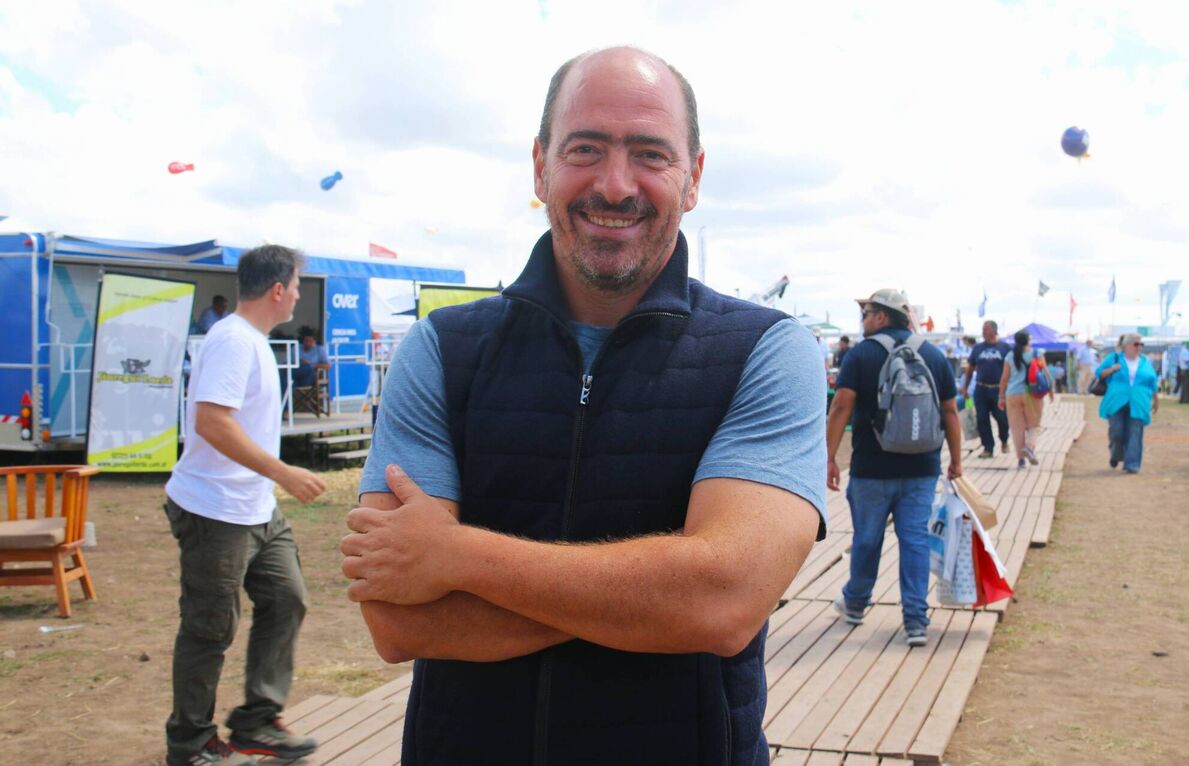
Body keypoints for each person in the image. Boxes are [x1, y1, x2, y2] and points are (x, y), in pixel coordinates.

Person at [340, 47, 827, 764]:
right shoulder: (443, 350)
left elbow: (723, 600)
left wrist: (455, 556)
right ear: (540, 167)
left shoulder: (764, 350)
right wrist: (655, 599)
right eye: (586, 149)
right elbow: (398, 623)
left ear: (693, 178)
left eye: (650, 154)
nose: (615, 183)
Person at [163, 245, 326, 766]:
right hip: (216, 511)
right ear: (278, 289)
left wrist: (270, 486)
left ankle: (257, 721)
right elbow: (212, 422)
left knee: (287, 599)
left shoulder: (250, 340)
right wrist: (284, 474)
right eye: (297, 286)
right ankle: (190, 743)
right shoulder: (233, 340)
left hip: (255, 508)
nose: (299, 296)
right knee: (210, 629)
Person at [826, 289, 961, 648]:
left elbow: (840, 407)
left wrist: (827, 457)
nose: (863, 319)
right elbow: (950, 412)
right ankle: (916, 621)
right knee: (914, 540)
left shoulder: (861, 355)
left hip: (871, 468)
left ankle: (855, 603)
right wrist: (957, 462)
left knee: (867, 539)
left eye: (866, 313)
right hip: (922, 467)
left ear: (882, 316)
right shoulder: (932, 354)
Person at [1097, 333, 1160, 473]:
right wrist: (1112, 369)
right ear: (1126, 345)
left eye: (1141, 344)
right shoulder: (1114, 358)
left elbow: (1152, 381)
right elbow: (1099, 373)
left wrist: (1156, 399)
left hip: (1139, 401)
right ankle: (1116, 454)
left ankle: (1132, 464)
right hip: (1116, 401)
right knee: (1117, 432)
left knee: (1135, 432)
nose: (1139, 347)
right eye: (1136, 344)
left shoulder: (1145, 361)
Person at [998, 330, 1054, 469]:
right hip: (1032, 395)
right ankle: (1029, 448)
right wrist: (1051, 392)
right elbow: (1046, 374)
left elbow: (1004, 379)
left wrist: (1001, 397)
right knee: (1034, 425)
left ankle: (1020, 460)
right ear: (1028, 340)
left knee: (1017, 428)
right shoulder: (1037, 354)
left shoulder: (1010, 356)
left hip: (1012, 395)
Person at [960, 320, 1010, 458]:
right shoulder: (978, 348)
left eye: (986, 329)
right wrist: (965, 388)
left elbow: (1011, 369)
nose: (983, 331)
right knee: (982, 419)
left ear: (994, 331)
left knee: (1002, 418)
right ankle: (988, 448)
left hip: (998, 389)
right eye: (982, 329)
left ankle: (1004, 439)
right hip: (981, 389)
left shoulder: (1004, 348)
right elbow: (970, 368)